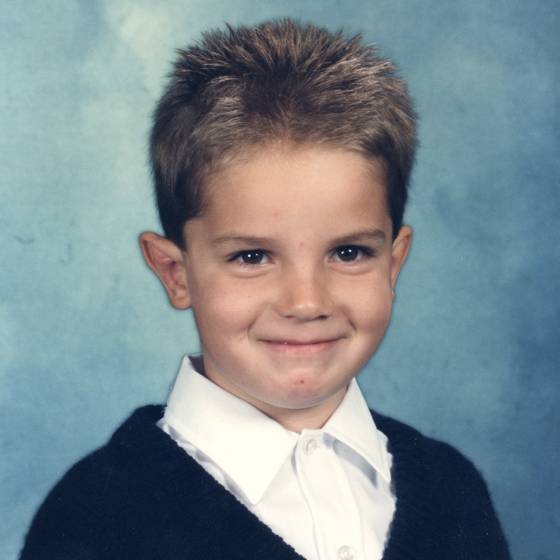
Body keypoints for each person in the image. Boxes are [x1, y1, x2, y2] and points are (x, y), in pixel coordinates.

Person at [19, 18, 511, 560]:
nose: (306, 302)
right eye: (252, 257)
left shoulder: (451, 490)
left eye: (348, 253)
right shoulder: (94, 518)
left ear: (393, 264)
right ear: (175, 273)